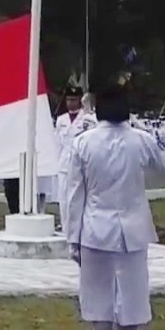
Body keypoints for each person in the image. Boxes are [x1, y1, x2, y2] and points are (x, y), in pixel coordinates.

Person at [65, 83, 165, 330]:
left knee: (99, 303)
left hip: (95, 230)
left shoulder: (83, 143)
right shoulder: (141, 140)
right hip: (132, 229)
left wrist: (71, 237)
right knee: (131, 302)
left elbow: (74, 194)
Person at [54, 85, 96, 230]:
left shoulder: (87, 119)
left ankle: (78, 229)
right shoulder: (61, 120)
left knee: (79, 199)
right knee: (63, 200)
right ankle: (65, 228)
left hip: (80, 166)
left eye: (74, 99)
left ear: (79, 100)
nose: (71, 102)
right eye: (68, 99)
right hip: (64, 164)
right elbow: (57, 144)